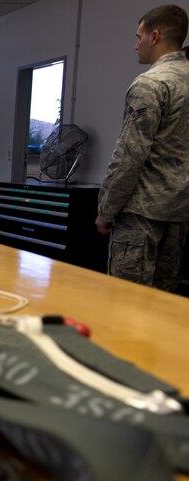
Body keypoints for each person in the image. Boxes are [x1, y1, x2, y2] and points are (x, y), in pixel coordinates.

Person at [96, 5, 189, 291]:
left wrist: (106, 210)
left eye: (139, 36)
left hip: (141, 216)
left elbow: (129, 156)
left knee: (126, 305)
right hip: (179, 213)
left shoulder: (150, 84)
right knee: (163, 306)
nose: (136, 44)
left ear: (155, 36)